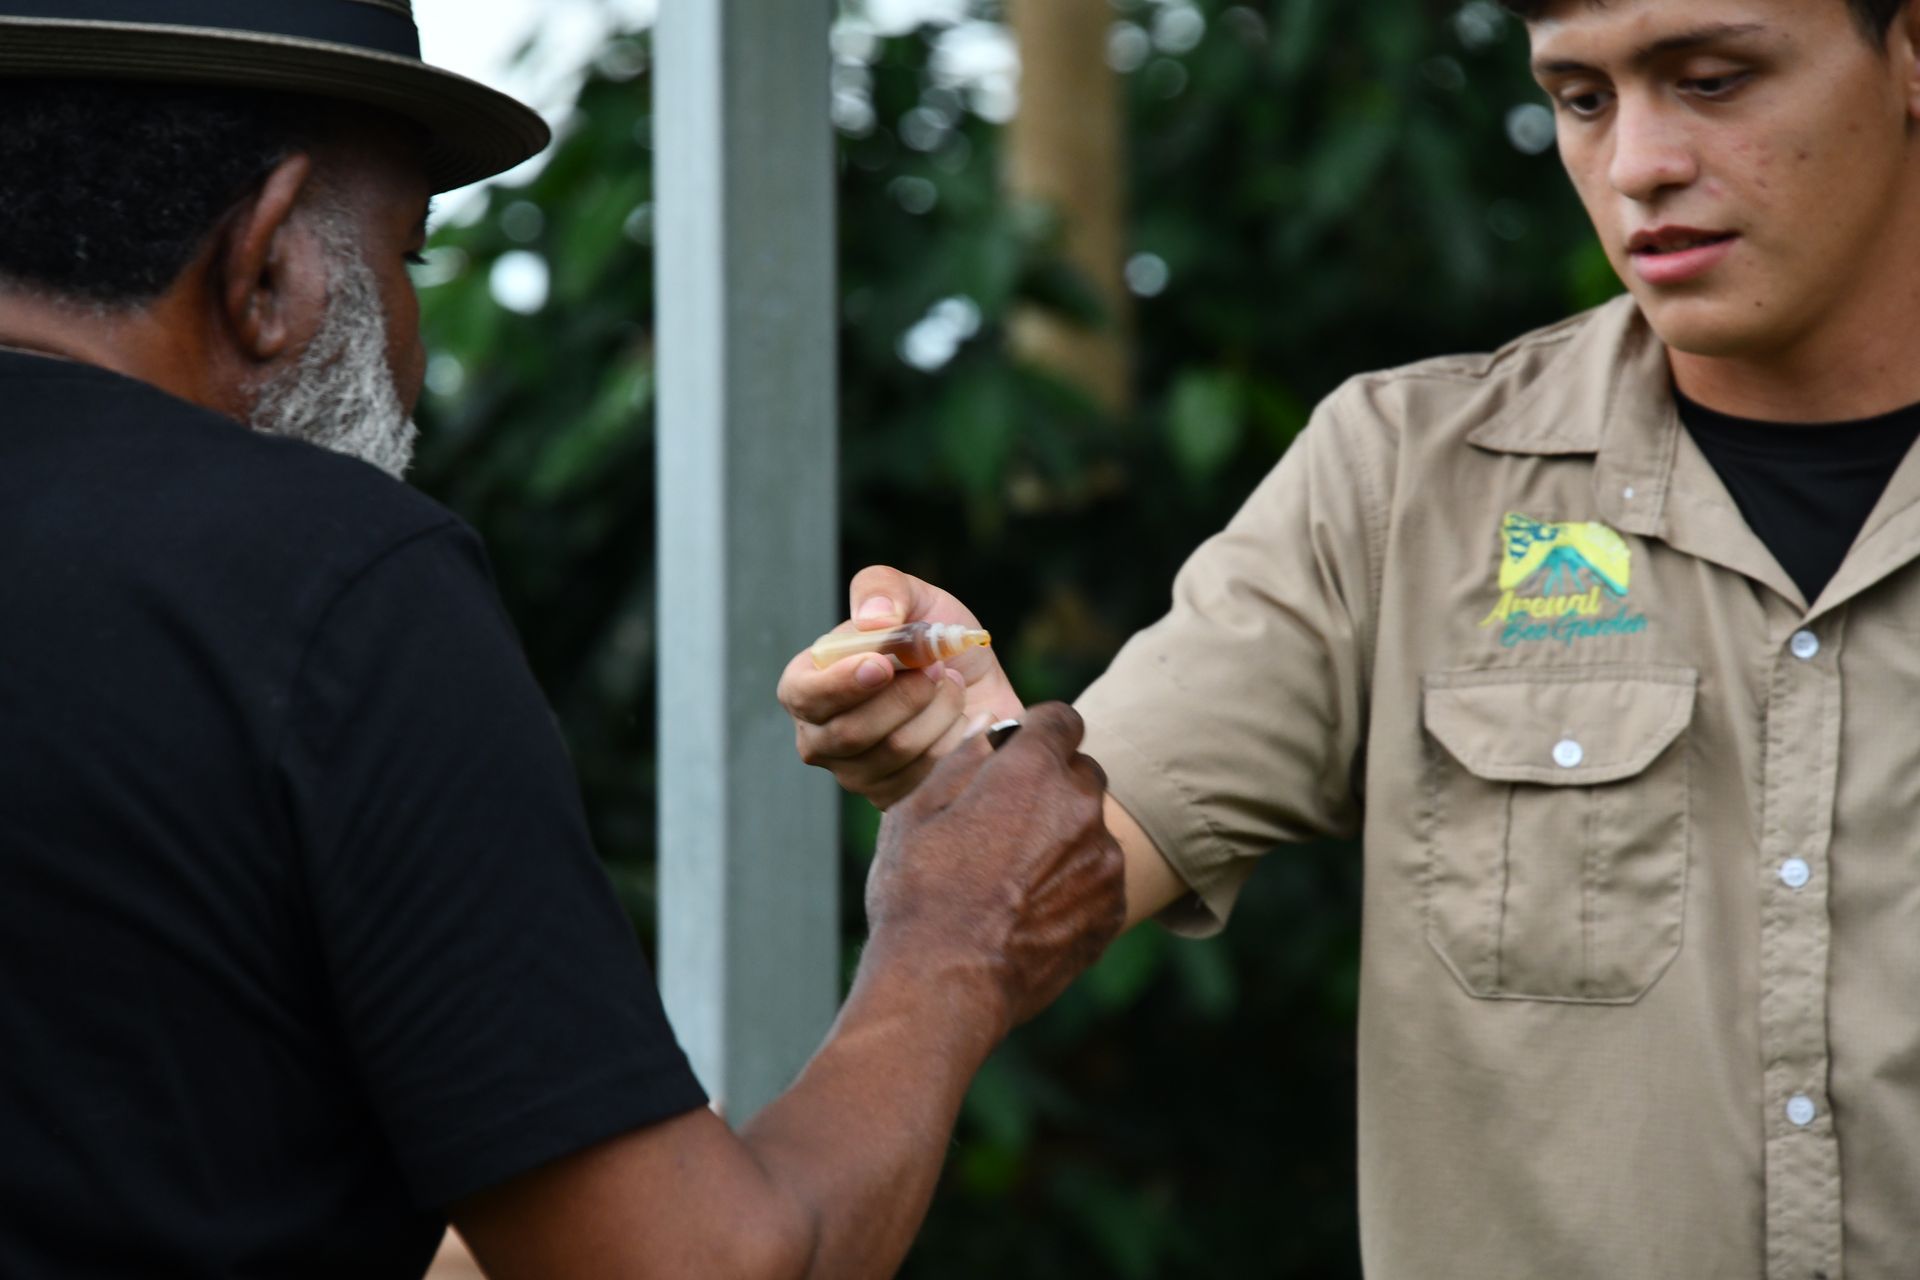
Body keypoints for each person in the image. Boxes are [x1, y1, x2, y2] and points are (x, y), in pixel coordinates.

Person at [783, 0, 1920, 1275]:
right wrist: (969, 761)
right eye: (1582, 98)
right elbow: (1073, 847)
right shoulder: (1403, 481)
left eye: (1712, 81)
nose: (1638, 161)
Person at [0, 5, 1125, 1279]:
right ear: (270, 264)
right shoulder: (324, 575)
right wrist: (955, 938)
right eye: (408, 260)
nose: (418, 341)